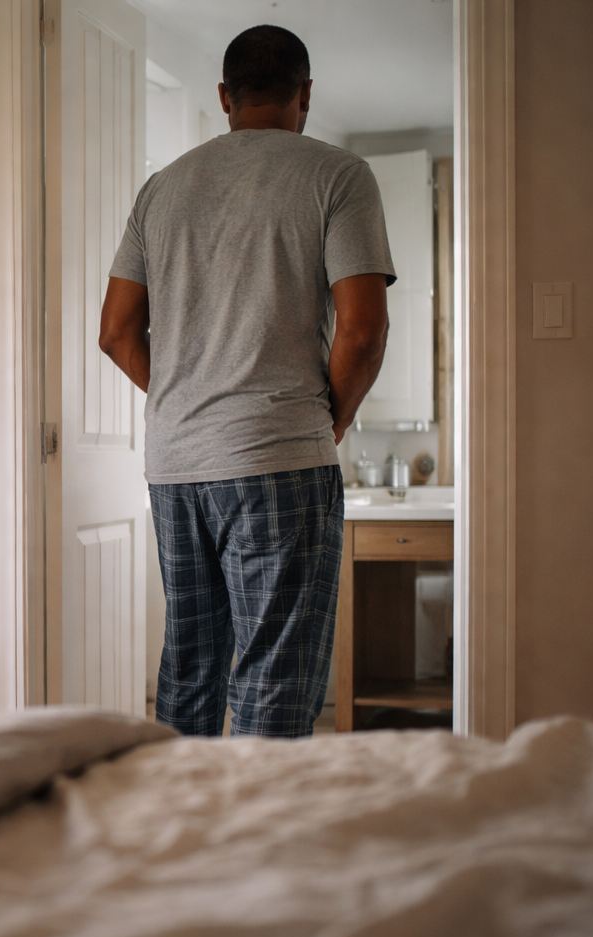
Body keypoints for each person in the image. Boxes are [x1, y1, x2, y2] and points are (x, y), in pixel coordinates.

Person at [100, 24, 393, 738]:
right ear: (306, 94)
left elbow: (115, 332)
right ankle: (256, 814)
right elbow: (362, 329)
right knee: (275, 680)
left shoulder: (161, 190)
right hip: (279, 458)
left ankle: (181, 807)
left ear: (225, 96)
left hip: (176, 466)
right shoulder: (337, 174)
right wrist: (333, 418)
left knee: (189, 672)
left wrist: (187, 398)